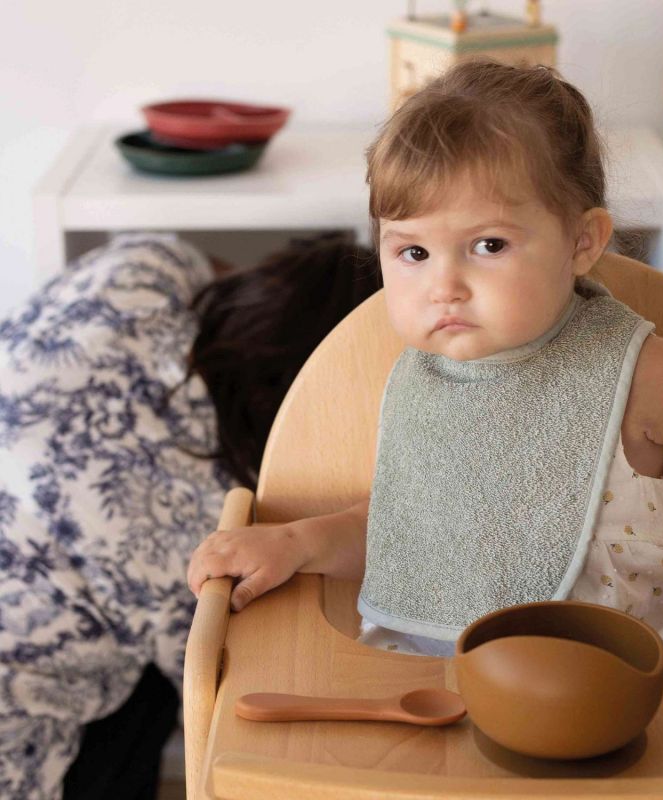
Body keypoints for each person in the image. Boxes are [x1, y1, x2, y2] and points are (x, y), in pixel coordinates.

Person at [188, 58, 663, 662]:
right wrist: (296, 543)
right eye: (414, 252)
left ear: (583, 241)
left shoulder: (639, 373)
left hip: (646, 654)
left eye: (489, 244)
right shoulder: (419, 381)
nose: (443, 285)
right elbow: (408, 533)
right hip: (458, 672)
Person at [0, 230, 380, 799]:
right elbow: (213, 699)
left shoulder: (141, 271)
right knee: (162, 679)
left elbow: (216, 265)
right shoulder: (197, 520)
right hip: (18, 748)